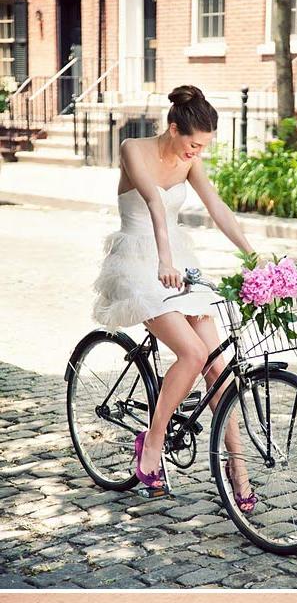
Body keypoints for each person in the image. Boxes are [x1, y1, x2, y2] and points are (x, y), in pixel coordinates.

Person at [91, 84, 258, 509]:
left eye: (204, 147)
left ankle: (236, 468)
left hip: (177, 262)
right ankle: (153, 441)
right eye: (193, 144)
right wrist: (164, 261)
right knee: (191, 354)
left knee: (219, 367)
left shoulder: (191, 161)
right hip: (137, 261)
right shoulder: (134, 148)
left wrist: (256, 256)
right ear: (172, 128)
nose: (197, 153)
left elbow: (218, 207)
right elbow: (152, 204)